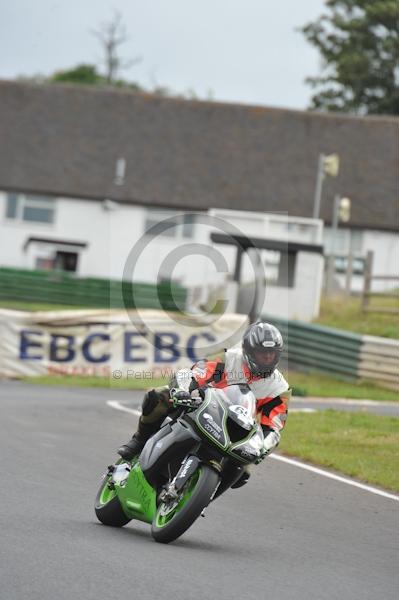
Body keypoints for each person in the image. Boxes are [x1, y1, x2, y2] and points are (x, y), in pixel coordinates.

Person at [118, 321, 291, 476]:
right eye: (263, 353)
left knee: (242, 472)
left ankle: (198, 499)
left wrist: (264, 446)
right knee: (159, 396)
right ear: (249, 351)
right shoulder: (227, 360)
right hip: (202, 408)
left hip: (235, 429)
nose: (268, 358)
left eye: (272, 354)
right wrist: (183, 391)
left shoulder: (279, 388)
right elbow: (193, 373)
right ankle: (139, 441)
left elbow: (273, 428)